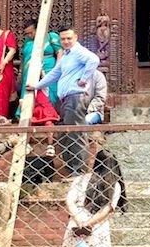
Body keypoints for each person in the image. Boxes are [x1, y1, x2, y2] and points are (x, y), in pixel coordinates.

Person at [27, 26, 99, 177]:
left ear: (76, 38)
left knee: (75, 134)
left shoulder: (78, 52)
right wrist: (37, 86)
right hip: (67, 99)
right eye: (63, 39)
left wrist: (84, 79)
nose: (66, 41)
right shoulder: (66, 55)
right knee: (66, 135)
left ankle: (78, 172)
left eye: (69, 38)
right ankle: (72, 169)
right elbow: (54, 74)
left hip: (76, 97)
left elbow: (94, 60)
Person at [16, 18, 62, 118]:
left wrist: (58, 68)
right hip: (30, 71)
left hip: (48, 69)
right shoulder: (28, 41)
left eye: (31, 32)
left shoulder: (50, 37)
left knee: (50, 93)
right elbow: (24, 58)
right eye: (27, 33)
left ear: (38, 29)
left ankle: (49, 115)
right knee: (29, 92)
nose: (29, 35)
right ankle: (29, 115)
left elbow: (59, 52)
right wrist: (20, 73)